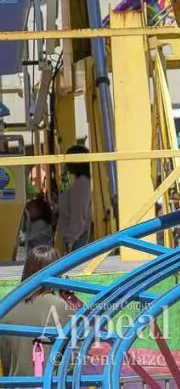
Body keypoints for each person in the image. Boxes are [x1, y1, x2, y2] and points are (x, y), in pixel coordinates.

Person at [0, 245, 74, 376]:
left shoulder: (6, 306)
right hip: (48, 382)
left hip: (13, 382)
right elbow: (75, 355)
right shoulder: (60, 306)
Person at [57, 144, 92, 253]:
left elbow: (78, 214)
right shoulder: (82, 182)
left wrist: (70, 240)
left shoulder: (81, 184)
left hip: (77, 239)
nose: (66, 164)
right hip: (77, 236)